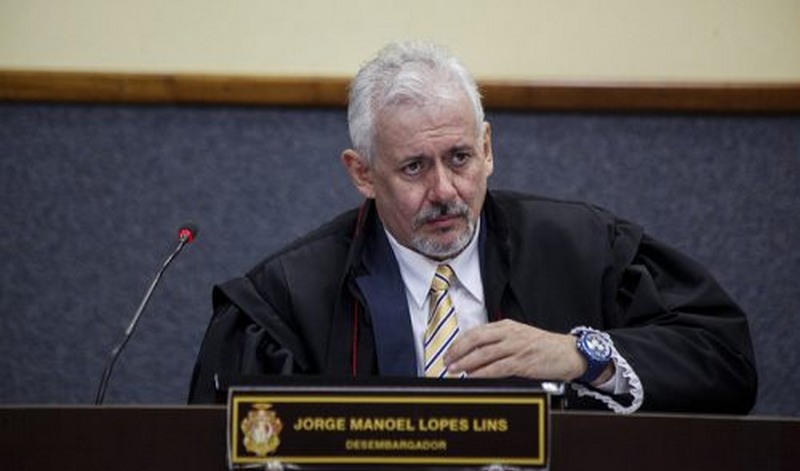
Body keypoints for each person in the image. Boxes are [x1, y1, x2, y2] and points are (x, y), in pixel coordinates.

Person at [188, 41, 757, 413]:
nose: (444, 191)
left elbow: (723, 359)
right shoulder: (286, 300)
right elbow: (221, 440)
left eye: (459, 158)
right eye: (415, 168)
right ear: (362, 173)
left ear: (487, 149)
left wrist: (580, 356)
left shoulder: (582, 247)